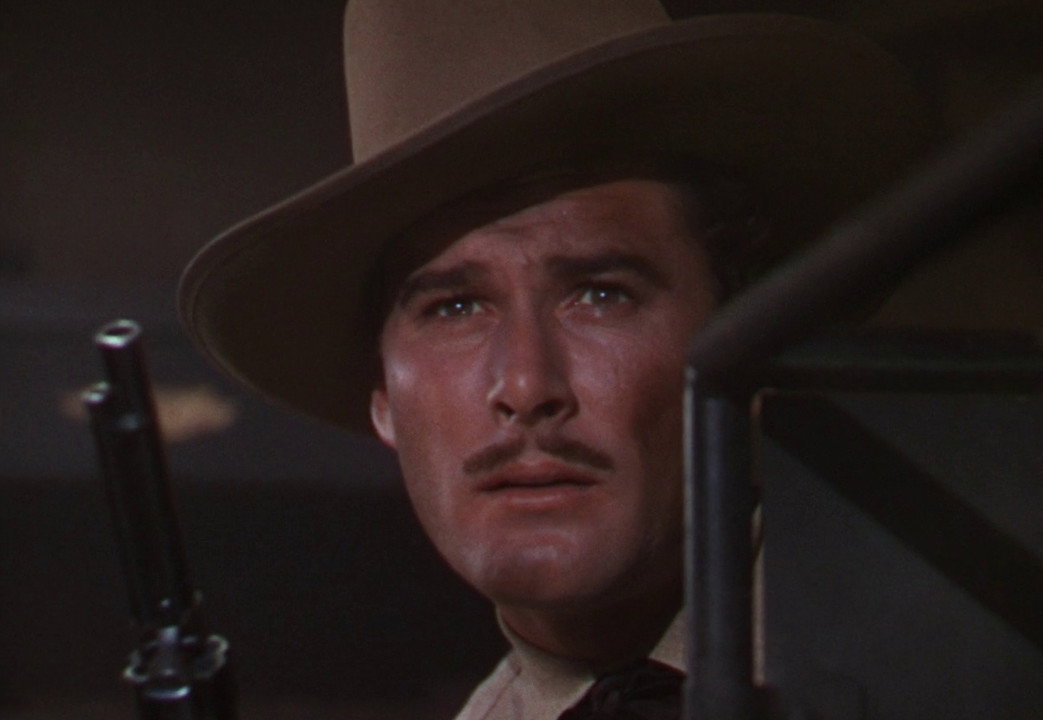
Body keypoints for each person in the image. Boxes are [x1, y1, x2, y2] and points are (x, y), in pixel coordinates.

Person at [178, 0, 925, 717]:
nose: (527, 385)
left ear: (750, 350)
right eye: (454, 308)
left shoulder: (947, 662)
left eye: (601, 296)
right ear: (383, 396)